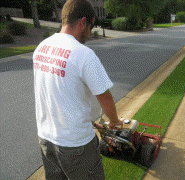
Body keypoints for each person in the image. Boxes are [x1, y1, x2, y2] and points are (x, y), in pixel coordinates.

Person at [32, 0, 122, 179]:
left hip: (46, 139)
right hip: (76, 144)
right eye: (91, 26)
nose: (89, 32)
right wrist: (114, 121)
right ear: (83, 22)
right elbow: (105, 97)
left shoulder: (41, 48)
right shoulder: (83, 54)